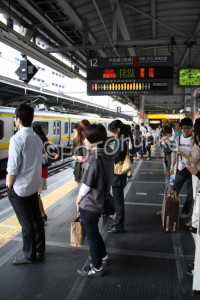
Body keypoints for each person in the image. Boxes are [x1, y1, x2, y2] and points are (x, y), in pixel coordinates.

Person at [6, 104, 45, 264]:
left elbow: (13, 167)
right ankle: (39, 250)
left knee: (26, 223)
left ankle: (29, 255)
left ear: (19, 119)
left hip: (20, 189)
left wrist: (9, 184)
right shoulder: (36, 137)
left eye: (15, 118)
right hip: (33, 186)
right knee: (36, 219)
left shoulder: (17, 139)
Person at [76, 124, 114, 277]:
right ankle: (103, 255)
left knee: (91, 237)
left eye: (85, 138)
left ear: (91, 140)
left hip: (90, 203)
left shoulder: (93, 158)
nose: (84, 141)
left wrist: (78, 201)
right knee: (94, 231)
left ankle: (96, 267)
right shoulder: (107, 153)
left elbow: (86, 185)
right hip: (101, 200)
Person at [107, 120, 128, 233]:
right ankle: (117, 223)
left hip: (118, 177)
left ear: (118, 130)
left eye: (112, 132)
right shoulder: (120, 140)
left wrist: (107, 156)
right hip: (118, 176)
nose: (111, 134)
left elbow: (115, 158)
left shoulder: (120, 141)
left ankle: (119, 226)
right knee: (118, 201)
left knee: (118, 203)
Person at [170, 118, 194, 219]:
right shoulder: (178, 138)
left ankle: (186, 211)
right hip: (181, 167)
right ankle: (169, 208)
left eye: (188, 128)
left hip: (192, 169)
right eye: (184, 128)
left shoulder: (195, 138)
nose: (186, 130)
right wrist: (172, 166)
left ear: (191, 128)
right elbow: (174, 154)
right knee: (174, 189)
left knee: (190, 193)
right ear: (181, 128)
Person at [32, 123, 49, 222]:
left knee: (36, 196)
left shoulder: (35, 141)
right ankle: (42, 214)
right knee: (37, 196)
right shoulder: (44, 140)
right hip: (43, 171)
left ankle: (42, 215)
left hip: (37, 172)